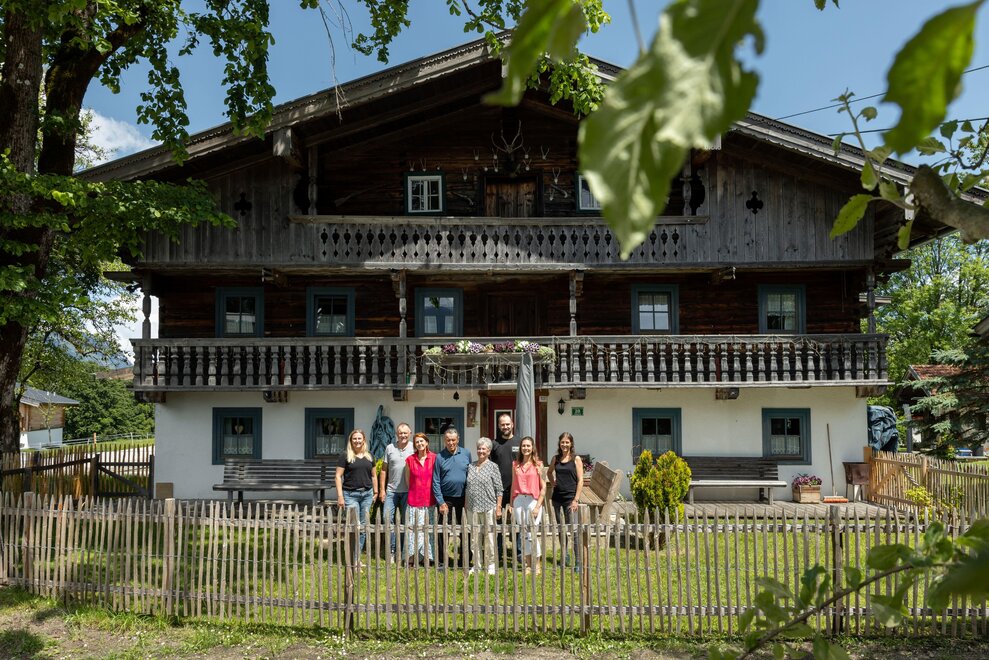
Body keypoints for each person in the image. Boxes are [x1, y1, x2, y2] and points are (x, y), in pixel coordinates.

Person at [335, 428, 378, 566]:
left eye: (359, 438)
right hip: (350, 495)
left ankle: (356, 559)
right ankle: (352, 559)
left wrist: (376, 492)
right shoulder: (345, 455)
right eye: (354, 438)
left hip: (367, 495)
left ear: (363, 440)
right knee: (354, 526)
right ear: (351, 440)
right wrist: (340, 496)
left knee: (363, 527)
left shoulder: (369, 456)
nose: (357, 441)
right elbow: (338, 476)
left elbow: (374, 476)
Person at [431, 427, 472, 569]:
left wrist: (468, 499)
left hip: (463, 499)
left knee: (465, 530)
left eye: (453, 440)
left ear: (458, 440)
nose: (451, 443)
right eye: (448, 440)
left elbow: (470, 476)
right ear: (444, 441)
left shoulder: (466, 454)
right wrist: (441, 502)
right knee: (443, 531)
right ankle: (443, 561)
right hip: (445, 499)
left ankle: (465, 560)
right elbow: (435, 481)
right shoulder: (439, 457)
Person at [464, 436, 503, 576]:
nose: (481, 451)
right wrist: (466, 505)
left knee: (490, 537)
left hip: (488, 506)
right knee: (474, 538)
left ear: (489, 451)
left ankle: (491, 564)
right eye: (479, 449)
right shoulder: (471, 466)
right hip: (472, 507)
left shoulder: (493, 467)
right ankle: (477, 565)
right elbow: (467, 488)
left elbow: (499, 489)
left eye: (483, 449)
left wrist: (498, 507)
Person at [547, 431, 584, 570]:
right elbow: (549, 472)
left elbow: (580, 480)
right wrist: (553, 483)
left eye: (567, 442)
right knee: (561, 529)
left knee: (573, 530)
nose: (564, 444)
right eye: (562, 442)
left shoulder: (576, 459)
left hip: (570, 499)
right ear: (559, 443)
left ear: (571, 443)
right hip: (557, 499)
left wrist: (576, 500)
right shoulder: (555, 459)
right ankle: (565, 555)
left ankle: (578, 561)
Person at [379, 422, 414, 562]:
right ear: (396, 434)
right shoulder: (390, 448)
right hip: (391, 491)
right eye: (400, 433)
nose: (403, 435)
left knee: (407, 521)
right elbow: (383, 470)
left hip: (408, 491)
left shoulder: (414, 447)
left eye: (405, 433)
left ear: (410, 433)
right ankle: (392, 551)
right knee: (387, 518)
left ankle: (404, 551)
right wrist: (382, 490)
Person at [510, 436, 545, 575]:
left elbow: (543, 487)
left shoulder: (538, 465)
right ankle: (529, 564)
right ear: (520, 448)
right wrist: (511, 503)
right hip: (519, 500)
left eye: (528, 446)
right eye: (523, 446)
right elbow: (513, 485)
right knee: (524, 533)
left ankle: (537, 564)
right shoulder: (515, 465)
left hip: (532, 500)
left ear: (532, 448)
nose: (526, 448)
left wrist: (537, 506)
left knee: (532, 533)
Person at [490, 412, 521, 562]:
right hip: (498, 489)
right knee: (499, 521)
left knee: (517, 520)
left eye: (507, 424)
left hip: (517, 489)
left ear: (512, 424)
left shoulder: (519, 442)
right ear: (498, 426)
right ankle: (498, 551)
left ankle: (519, 552)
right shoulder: (494, 444)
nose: (505, 427)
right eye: (502, 424)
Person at [405, 432, 437, 566]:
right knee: (413, 530)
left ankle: (427, 558)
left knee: (428, 530)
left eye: (421, 441)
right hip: (414, 500)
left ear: (427, 442)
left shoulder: (434, 458)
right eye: (417, 442)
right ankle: (412, 558)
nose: (419, 444)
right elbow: (407, 480)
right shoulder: (410, 459)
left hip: (430, 500)